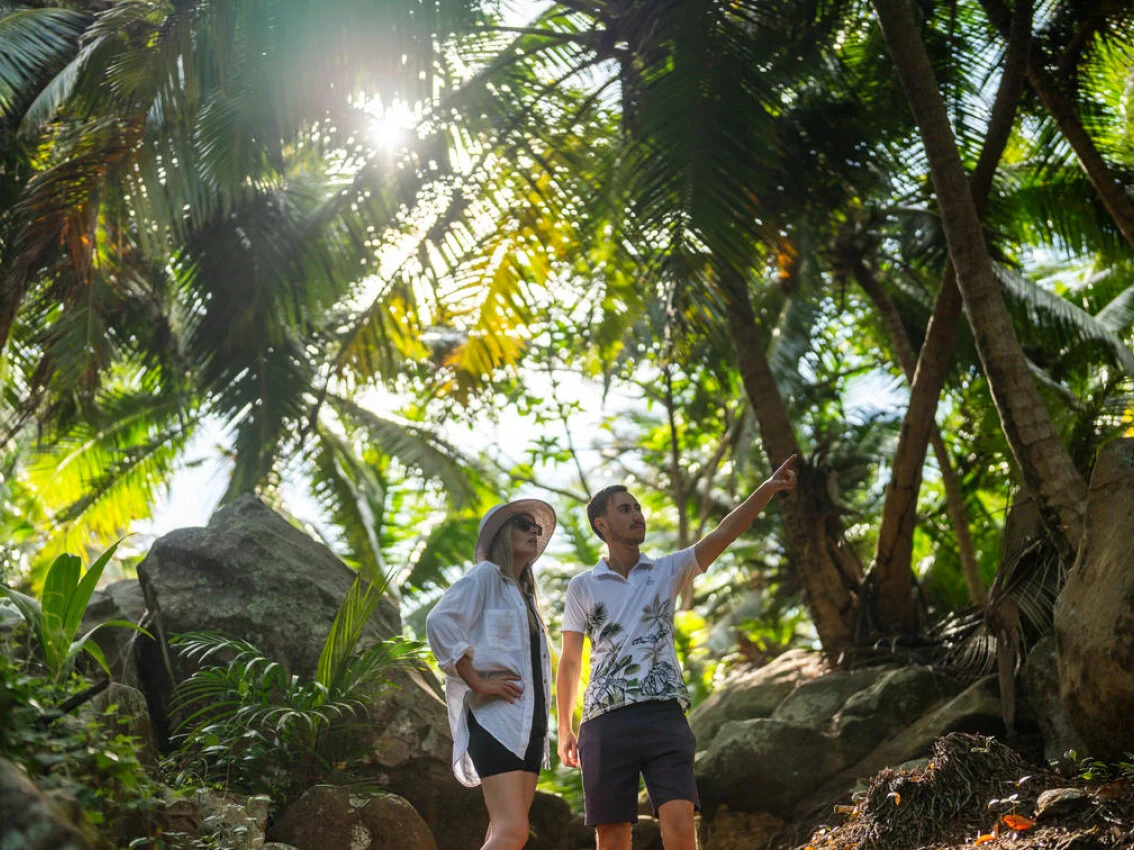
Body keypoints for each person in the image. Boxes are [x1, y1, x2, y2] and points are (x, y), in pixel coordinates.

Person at [556, 455, 799, 850]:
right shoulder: (582, 586)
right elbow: (569, 660)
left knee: (680, 824)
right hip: (604, 720)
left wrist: (766, 490)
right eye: (625, 509)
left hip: (664, 714)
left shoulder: (667, 570)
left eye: (637, 507)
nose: (637, 515)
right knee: (612, 836)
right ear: (601, 524)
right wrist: (565, 727)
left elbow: (724, 532)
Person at [426, 499, 556, 850]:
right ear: (501, 535)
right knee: (512, 831)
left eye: (536, 528)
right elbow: (439, 621)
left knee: (504, 832)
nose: (533, 532)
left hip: (531, 729)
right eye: (523, 525)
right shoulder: (486, 576)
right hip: (496, 723)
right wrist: (477, 682)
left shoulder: (526, 596)